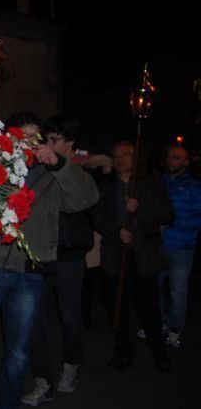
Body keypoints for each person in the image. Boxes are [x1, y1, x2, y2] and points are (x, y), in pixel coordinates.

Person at [0, 112, 99, 409]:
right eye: (19, 137)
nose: (26, 144)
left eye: (34, 138)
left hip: (29, 273)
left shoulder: (52, 176)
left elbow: (86, 198)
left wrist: (60, 164)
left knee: (19, 350)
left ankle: (7, 403)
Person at [22, 117, 95, 405]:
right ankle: (43, 380)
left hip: (69, 253)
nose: (48, 146)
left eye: (55, 140)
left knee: (69, 315)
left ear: (70, 145)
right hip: (40, 254)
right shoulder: (37, 169)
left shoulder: (79, 169)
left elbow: (86, 199)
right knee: (35, 318)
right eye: (46, 140)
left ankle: (70, 367)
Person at [95, 141, 173, 372]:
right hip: (115, 255)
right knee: (118, 306)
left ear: (134, 157)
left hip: (143, 256)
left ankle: (159, 352)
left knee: (148, 306)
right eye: (116, 155)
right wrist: (116, 231)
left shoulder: (150, 184)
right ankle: (124, 351)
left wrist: (141, 208)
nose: (120, 159)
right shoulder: (107, 186)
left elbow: (168, 214)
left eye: (125, 155)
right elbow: (98, 217)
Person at [158, 146, 201, 348]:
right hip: (158, 247)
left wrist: (171, 223)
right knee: (151, 286)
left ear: (185, 162)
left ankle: (174, 329)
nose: (170, 160)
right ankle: (159, 323)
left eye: (176, 158)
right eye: (169, 157)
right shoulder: (160, 182)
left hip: (182, 247)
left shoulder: (194, 187)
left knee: (177, 292)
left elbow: (198, 219)